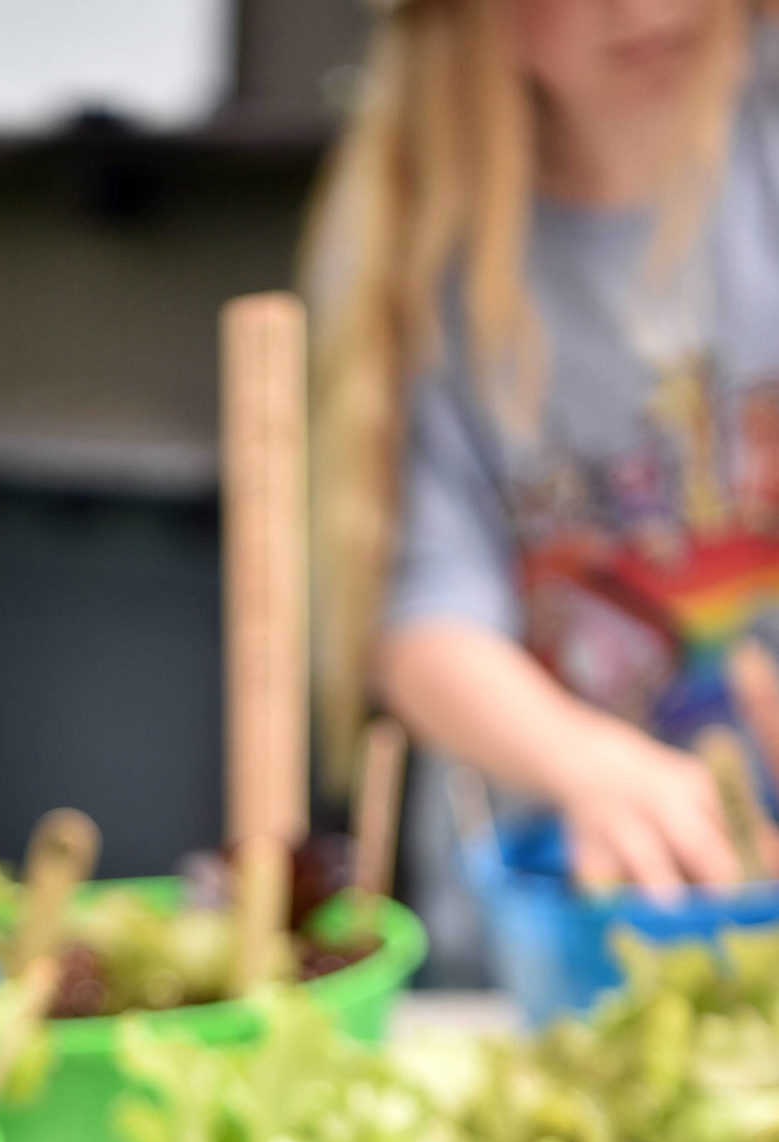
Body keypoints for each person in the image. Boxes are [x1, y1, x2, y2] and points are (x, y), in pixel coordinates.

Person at [307, 0, 779, 895]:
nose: (639, 8)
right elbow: (417, 611)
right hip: (551, 903)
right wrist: (583, 764)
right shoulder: (414, 244)